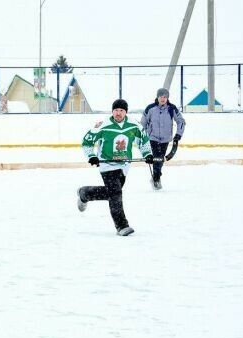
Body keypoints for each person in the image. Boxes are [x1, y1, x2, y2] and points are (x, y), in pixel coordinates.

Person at [77, 99, 153, 236]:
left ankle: (86, 193)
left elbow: (144, 140)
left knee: (111, 193)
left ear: (126, 112)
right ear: (112, 111)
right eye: (116, 110)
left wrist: (147, 154)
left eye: (121, 110)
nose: (118, 113)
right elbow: (87, 142)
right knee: (116, 194)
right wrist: (91, 156)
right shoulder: (103, 126)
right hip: (107, 165)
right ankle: (122, 226)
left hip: (124, 166)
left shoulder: (134, 125)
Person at [140, 88, 186, 190]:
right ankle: (157, 178)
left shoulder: (172, 108)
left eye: (165, 97)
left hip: (166, 138)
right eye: (161, 96)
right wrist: (144, 136)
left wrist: (178, 134)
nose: (163, 98)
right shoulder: (150, 108)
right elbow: (143, 123)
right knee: (157, 156)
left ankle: (156, 176)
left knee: (160, 159)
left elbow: (181, 121)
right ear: (157, 97)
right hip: (153, 137)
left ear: (167, 98)